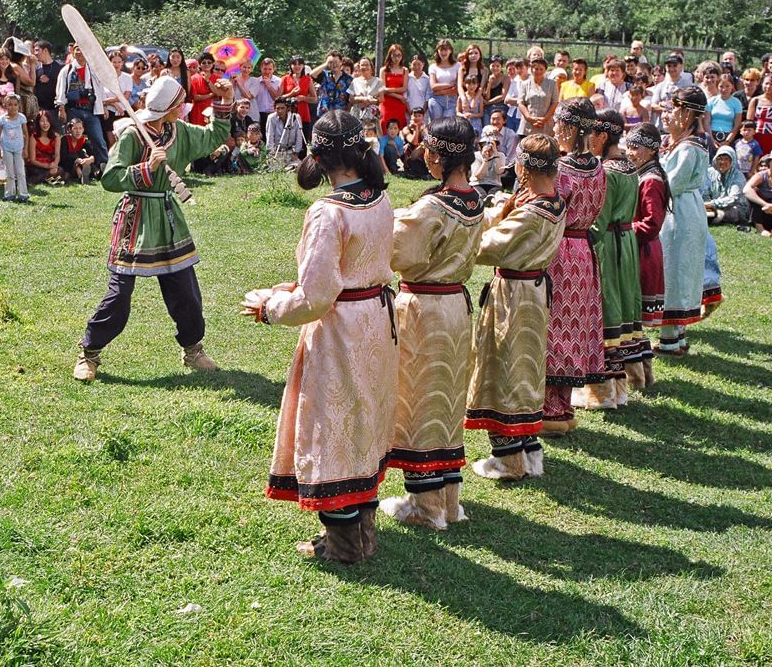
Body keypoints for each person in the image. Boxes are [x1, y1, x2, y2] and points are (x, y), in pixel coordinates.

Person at [242, 109, 396, 564]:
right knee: (363, 419)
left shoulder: (328, 213)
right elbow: (343, 273)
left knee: (331, 425)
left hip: (342, 330)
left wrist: (269, 307)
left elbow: (316, 297)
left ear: (318, 155)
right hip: (376, 321)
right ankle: (363, 531)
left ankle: (346, 543)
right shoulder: (379, 198)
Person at [73, 75, 234, 382]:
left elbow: (213, 137)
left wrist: (225, 102)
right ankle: (89, 353)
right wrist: (147, 168)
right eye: (180, 101)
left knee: (185, 293)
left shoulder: (180, 131)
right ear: (169, 106)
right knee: (119, 295)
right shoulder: (133, 136)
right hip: (136, 222)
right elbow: (110, 177)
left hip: (169, 220)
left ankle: (193, 350)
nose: (185, 105)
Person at [381, 116, 484, 529]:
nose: (423, 154)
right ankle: (448, 499)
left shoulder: (431, 208)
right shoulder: (475, 200)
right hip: (457, 308)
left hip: (424, 308)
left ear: (438, 156)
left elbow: (398, 253)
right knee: (446, 400)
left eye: (427, 148)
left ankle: (426, 507)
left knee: (419, 400)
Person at [465, 134, 567, 479]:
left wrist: (465, 232)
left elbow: (485, 248)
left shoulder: (531, 213)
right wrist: (507, 209)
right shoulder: (554, 201)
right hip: (534, 291)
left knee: (505, 368)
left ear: (524, 168)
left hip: (515, 293)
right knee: (527, 369)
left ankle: (508, 458)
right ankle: (528, 448)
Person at [542, 98, 606, 435]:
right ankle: (562, 405)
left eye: (557, 125)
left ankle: (550, 409)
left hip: (561, 249)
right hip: (584, 252)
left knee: (555, 324)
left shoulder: (561, 169)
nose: (553, 129)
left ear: (568, 127)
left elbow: (549, 208)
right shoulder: (599, 167)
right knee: (574, 323)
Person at [575, 109, 642, 405]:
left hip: (609, 244)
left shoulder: (606, 171)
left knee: (607, 310)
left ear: (602, 136)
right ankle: (620, 390)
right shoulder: (630, 167)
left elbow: (598, 220)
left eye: (592, 136)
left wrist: (580, 239)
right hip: (626, 242)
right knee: (622, 308)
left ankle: (603, 393)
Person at [656, 87, 711, 356]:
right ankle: (677, 335)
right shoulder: (682, 144)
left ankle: (671, 337)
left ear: (687, 112)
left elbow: (671, 184)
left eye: (674, 107)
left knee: (676, 269)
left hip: (680, 213)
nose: (669, 112)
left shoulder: (689, 149)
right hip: (687, 211)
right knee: (679, 268)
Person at [625, 124, 668, 387]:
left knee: (633, 317)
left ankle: (640, 374)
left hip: (643, 251)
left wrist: (623, 229)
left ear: (651, 150)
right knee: (633, 319)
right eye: (628, 146)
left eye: (636, 147)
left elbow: (652, 223)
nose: (630, 152)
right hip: (640, 248)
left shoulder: (651, 180)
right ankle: (642, 374)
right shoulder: (643, 174)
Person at [55, 45, 109, 168]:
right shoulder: (67, 70)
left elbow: (100, 90)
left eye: (82, 49)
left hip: (90, 110)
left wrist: (103, 106)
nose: (79, 52)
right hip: (74, 109)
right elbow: (61, 90)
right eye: (77, 49)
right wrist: (61, 108)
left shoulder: (93, 70)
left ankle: (103, 165)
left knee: (98, 140)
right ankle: (74, 168)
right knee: (72, 140)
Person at [0, 94, 30, 203]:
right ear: (5, 105)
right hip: (7, 148)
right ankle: (9, 193)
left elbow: (26, 134)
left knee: (20, 172)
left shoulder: (21, 118)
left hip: (19, 148)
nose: (13, 107)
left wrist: (25, 149)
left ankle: (23, 193)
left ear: (19, 106)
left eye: (15, 105)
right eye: (10, 105)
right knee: (9, 172)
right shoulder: (1, 120)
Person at [703, 146, 749, 224]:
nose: (722, 162)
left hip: (734, 207)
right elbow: (705, 192)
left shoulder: (738, 176)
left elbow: (733, 198)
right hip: (712, 206)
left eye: (726, 159)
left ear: (732, 161)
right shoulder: (709, 173)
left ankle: (713, 217)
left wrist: (711, 204)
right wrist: (706, 204)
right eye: (720, 159)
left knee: (733, 212)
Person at [517, 57, 557, 138]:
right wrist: (529, 118)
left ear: (545, 70)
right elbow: (520, 103)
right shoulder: (525, 84)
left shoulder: (552, 84)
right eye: (536, 69)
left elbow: (555, 102)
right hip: (528, 125)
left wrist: (545, 119)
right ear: (531, 69)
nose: (538, 71)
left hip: (546, 125)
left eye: (541, 69)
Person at [279, 56, 316, 142]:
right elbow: (278, 98)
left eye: (299, 64)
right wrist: (291, 94)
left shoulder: (308, 79)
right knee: (287, 139)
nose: (297, 66)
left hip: (303, 113)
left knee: (302, 140)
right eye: (294, 64)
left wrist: (303, 98)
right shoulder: (285, 79)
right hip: (287, 113)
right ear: (290, 66)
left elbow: (315, 99)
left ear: (303, 66)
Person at [265, 98, 304, 171]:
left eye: (282, 108)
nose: (280, 111)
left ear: (287, 108)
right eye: (277, 108)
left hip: (290, 152)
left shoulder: (295, 117)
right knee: (275, 169)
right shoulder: (271, 118)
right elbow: (269, 136)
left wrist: (296, 153)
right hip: (277, 151)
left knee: (299, 168)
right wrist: (271, 153)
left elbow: (299, 137)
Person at [706, 74, 743, 149]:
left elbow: (737, 125)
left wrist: (727, 141)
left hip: (728, 137)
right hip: (712, 136)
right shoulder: (711, 101)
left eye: (727, 86)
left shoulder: (736, 103)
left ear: (732, 86)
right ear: (717, 86)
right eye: (721, 86)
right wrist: (712, 140)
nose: (724, 89)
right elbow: (706, 122)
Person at [26, 109, 63, 185]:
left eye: (47, 121)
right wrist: (47, 166)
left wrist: (54, 165)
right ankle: (45, 178)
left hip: (51, 164)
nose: (45, 123)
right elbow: (32, 160)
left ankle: (45, 178)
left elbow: (57, 155)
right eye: (42, 121)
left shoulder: (56, 136)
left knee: (61, 171)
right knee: (39, 171)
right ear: (38, 122)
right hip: (37, 165)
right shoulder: (34, 136)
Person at [379, 44, 409, 134]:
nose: (396, 58)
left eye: (399, 55)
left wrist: (388, 89)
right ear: (390, 56)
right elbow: (382, 90)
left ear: (402, 56)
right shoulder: (383, 70)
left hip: (399, 105)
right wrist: (398, 96)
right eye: (394, 55)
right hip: (387, 103)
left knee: (399, 128)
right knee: (385, 125)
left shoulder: (405, 70)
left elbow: (404, 88)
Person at [312, 50, 351, 117]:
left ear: (341, 62)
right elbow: (312, 74)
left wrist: (348, 113)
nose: (334, 64)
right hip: (324, 114)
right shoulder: (324, 75)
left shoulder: (348, 79)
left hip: (340, 115)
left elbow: (350, 99)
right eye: (331, 62)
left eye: (336, 62)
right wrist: (326, 63)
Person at [428, 39, 459, 119]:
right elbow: (433, 86)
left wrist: (441, 91)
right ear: (437, 51)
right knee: (436, 126)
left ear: (450, 51)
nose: (443, 53)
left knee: (448, 126)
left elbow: (457, 88)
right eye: (441, 50)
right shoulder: (433, 67)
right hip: (436, 100)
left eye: (446, 50)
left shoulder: (458, 66)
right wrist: (450, 85)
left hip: (452, 100)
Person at [471, 126, 504, 197]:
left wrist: (495, 153)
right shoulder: (476, 155)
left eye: (492, 143)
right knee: (480, 195)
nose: (489, 146)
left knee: (496, 195)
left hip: (494, 184)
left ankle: (493, 199)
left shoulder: (501, 155)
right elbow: (479, 177)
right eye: (485, 143)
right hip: (477, 183)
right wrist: (485, 160)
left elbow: (499, 171)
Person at [61, 117, 97, 183]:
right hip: (67, 164)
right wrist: (77, 160)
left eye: (80, 128)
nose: (78, 131)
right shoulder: (64, 139)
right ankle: (81, 175)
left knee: (83, 155)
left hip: (81, 163)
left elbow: (93, 154)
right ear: (70, 129)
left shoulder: (84, 140)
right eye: (75, 128)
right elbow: (63, 157)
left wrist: (89, 159)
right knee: (76, 155)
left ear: (83, 130)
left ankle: (95, 173)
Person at [349, 57, 382, 124]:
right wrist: (361, 98)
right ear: (359, 67)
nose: (364, 67)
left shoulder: (379, 81)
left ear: (371, 66)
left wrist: (372, 101)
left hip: (372, 116)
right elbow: (351, 99)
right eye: (362, 65)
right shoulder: (355, 81)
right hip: (357, 114)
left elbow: (382, 99)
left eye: (367, 65)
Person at [33, 41, 62, 113]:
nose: (35, 53)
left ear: (45, 50)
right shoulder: (36, 69)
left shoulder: (60, 68)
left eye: (37, 50)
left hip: (56, 109)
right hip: (40, 110)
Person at [256, 57, 281, 131]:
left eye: (269, 69)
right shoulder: (256, 81)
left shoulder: (279, 81)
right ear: (261, 68)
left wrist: (269, 86)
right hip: (259, 113)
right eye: (265, 69)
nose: (267, 71)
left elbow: (278, 98)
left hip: (273, 112)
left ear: (273, 69)